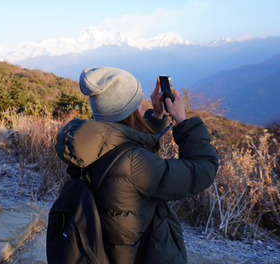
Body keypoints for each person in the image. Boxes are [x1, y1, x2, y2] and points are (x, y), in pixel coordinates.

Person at [55, 67, 219, 264]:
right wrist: (182, 121)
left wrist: (156, 117)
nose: (143, 106)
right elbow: (202, 171)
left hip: (112, 250)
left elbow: (129, 149)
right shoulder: (133, 163)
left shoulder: (94, 146)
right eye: (139, 101)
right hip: (139, 255)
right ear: (129, 109)